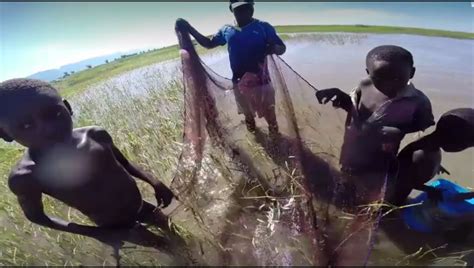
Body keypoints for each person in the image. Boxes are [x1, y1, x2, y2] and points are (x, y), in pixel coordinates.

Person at [0, 78, 175, 237]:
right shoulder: (25, 177)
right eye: (26, 125)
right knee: (164, 247)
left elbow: (124, 163)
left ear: (68, 108)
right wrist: (96, 233)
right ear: (5, 134)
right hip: (114, 225)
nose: (48, 130)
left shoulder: (95, 135)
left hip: (141, 205)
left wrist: (156, 183)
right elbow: (37, 217)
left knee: (174, 233)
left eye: (54, 114)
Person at [316, 45, 435, 204]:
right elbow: (354, 109)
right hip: (352, 150)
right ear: (368, 73)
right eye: (379, 78)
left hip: (381, 158)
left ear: (412, 73)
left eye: (398, 78)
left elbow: (425, 124)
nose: (388, 85)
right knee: (347, 178)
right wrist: (340, 96)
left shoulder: (417, 101)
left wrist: (400, 130)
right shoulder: (364, 85)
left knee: (373, 192)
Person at [175, 0, 286, 135]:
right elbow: (209, 44)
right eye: (239, 9)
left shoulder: (264, 27)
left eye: (247, 8)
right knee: (248, 118)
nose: (244, 12)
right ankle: (258, 141)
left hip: (262, 83)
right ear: (232, 10)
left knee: (271, 119)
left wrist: (274, 48)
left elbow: (282, 48)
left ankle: (277, 143)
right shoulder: (226, 30)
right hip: (239, 85)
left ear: (252, 8)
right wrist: (189, 28)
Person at [390, 108, 474, 206]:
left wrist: (437, 165)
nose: (463, 149)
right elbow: (403, 181)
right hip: (394, 197)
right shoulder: (420, 156)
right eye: (465, 146)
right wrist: (430, 190)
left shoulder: (430, 144)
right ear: (455, 142)